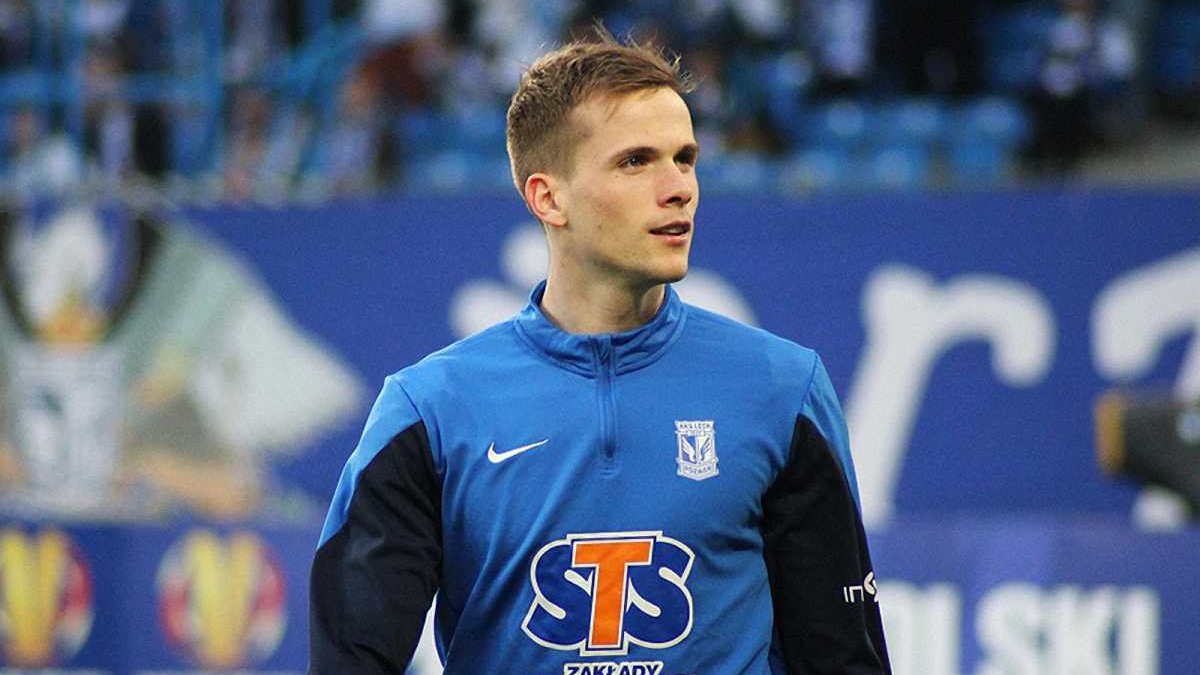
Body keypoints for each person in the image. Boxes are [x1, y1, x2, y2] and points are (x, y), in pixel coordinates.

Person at [309, 29, 891, 674]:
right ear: (548, 197)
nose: (678, 187)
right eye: (636, 161)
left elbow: (842, 660)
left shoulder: (783, 389)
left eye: (685, 158)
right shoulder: (431, 411)